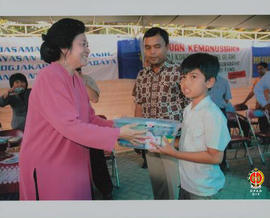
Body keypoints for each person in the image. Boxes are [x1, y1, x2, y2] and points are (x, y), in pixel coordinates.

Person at [19, 18, 145, 200]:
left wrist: (118, 125)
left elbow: (89, 118)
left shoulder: (76, 79)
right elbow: (70, 126)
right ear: (64, 48)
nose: (88, 49)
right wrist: (118, 133)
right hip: (50, 164)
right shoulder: (49, 77)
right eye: (83, 44)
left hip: (73, 162)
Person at [151, 53, 231, 199]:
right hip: (186, 184)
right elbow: (190, 143)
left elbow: (215, 157)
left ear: (210, 82)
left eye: (193, 77)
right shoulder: (189, 109)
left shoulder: (212, 114)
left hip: (204, 189)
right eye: (184, 76)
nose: (185, 83)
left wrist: (173, 153)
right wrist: (166, 142)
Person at [132, 27, 189, 200]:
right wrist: (137, 133)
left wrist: (183, 139)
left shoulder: (180, 73)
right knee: (158, 187)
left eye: (157, 46)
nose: (152, 52)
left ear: (167, 47)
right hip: (150, 141)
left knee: (175, 188)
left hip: (173, 142)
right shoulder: (142, 75)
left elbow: (191, 107)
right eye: (148, 47)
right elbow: (139, 105)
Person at [77, 70, 114, 200]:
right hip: (71, 129)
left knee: (97, 161)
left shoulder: (86, 79)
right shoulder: (60, 81)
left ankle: (106, 190)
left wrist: (79, 79)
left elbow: (95, 98)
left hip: (88, 125)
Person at [236, 62, 270, 132]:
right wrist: (244, 102)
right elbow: (252, 92)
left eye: (261, 69)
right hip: (260, 107)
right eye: (258, 69)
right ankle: (264, 140)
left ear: (266, 69)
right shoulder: (257, 80)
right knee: (263, 126)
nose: (259, 71)